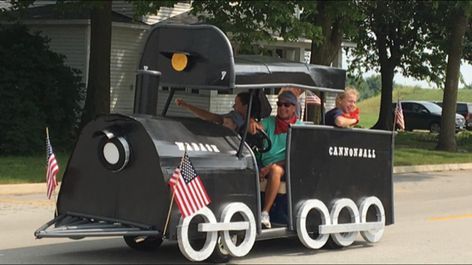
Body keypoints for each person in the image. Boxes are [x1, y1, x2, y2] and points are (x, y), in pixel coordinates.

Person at [249, 91, 303, 229]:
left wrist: (270, 167)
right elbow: (259, 126)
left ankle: (265, 213)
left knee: (275, 170)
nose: (282, 107)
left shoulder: (299, 127)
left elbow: (295, 156)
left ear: (294, 107)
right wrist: (252, 123)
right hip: (264, 163)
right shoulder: (270, 121)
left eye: (287, 105)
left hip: (287, 166)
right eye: (279, 104)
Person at [175, 92, 250, 132]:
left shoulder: (255, 123)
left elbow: (212, 117)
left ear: (246, 106)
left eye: (236, 104)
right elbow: (212, 118)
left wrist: (186, 105)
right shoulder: (234, 116)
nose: (233, 106)